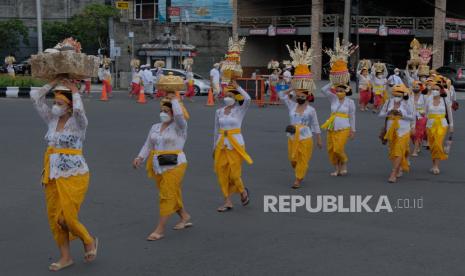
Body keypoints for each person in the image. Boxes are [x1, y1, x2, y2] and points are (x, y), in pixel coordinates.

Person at [31, 79, 98, 271]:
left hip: (74, 174)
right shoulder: (52, 121)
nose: (55, 106)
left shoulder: (78, 124)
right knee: (55, 219)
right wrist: (53, 83)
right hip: (52, 175)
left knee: (66, 218)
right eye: (55, 102)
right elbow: (36, 98)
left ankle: (88, 241)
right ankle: (65, 257)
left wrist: (75, 91)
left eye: (60, 103)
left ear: (69, 107)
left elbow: (80, 112)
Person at [133, 97, 192, 241]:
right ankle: (184, 216)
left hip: (176, 164)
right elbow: (148, 145)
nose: (163, 113)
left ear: (173, 112)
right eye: (161, 110)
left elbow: (179, 115)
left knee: (167, 195)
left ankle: (159, 230)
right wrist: (140, 157)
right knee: (172, 193)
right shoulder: (155, 127)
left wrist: (174, 100)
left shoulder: (180, 126)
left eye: (166, 111)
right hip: (158, 165)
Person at [213, 80, 252, 212]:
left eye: (230, 96)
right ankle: (227, 201)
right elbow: (216, 129)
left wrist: (238, 87)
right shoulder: (219, 111)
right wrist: (214, 147)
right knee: (221, 172)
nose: (227, 98)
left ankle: (242, 191)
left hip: (236, 144)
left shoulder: (239, 110)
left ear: (235, 97)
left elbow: (248, 99)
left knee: (234, 174)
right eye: (226, 96)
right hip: (221, 145)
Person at [279, 88, 322, 188]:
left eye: (302, 96)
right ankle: (299, 171)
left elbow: (315, 125)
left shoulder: (311, 110)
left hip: (305, 138)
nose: (299, 98)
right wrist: (293, 88)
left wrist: (319, 139)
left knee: (303, 160)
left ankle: (298, 179)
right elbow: (281, 95)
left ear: (307, 97)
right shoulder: (292, 106)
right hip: (292, 137)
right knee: (293, 160)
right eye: (298, 96)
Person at [379, 84, 415, 183]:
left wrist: (402, 115)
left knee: (398, 150)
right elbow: (380, 114)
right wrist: (389, 112)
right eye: (395, 95)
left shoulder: (408, 103)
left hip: (403, 130)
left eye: (399, 96)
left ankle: (393, 173)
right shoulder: (388, 102)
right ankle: (398, 167)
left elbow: (412, 116)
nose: (397, 97)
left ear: (403, 95)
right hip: (391, 130)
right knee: (393, 151)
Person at [321, 83, 356, 176]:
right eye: (337, 91)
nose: (339, 93)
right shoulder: (333, 99)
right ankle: (337, 169)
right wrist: (333, 82)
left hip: (344, 127)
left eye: (341, 91)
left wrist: (353, 130)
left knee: (338, 148)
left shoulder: (350, 102)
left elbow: (352, 116)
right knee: (331, 149)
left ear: (346, 91)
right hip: (331, 127)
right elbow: (323, 90)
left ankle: (344, 162)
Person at [425, 82, 454, 175]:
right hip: (430, 125)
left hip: (442, 124)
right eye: (433, 89)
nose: (435, 91)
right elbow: (425, 113)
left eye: (437, 89)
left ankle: (436, 166)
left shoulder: (445, 100)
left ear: (440, 90)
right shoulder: (428, 99)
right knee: (433, 146)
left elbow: (449, 113)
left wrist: (451, 125)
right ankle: (434, 165)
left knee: (438, 144)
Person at [411, 81, 427, 156]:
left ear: (420, 88)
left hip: (421, 117)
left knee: (418, 133)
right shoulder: (409, 96)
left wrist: (424, 112)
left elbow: (428, 107)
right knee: (412, 134)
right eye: (414, 87)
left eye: (417, 87)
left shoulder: (424, 96)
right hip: (411, 117)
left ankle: (415, 151)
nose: (415, 88)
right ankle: (418, 143)